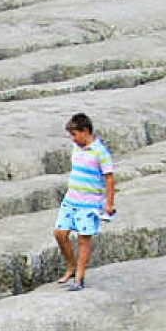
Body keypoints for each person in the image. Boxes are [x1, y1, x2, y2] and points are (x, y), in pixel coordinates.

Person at [53, 112, 116, 291]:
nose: (73, 139)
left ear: (85, 131)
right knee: (60, 233)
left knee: (83, 238)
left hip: (89, 203)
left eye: (75, 134)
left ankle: (79, 277)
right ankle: (71, 266)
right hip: (71, 199)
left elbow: (109, 178)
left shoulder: (100, 152)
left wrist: (109, 203)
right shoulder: (76, 148)